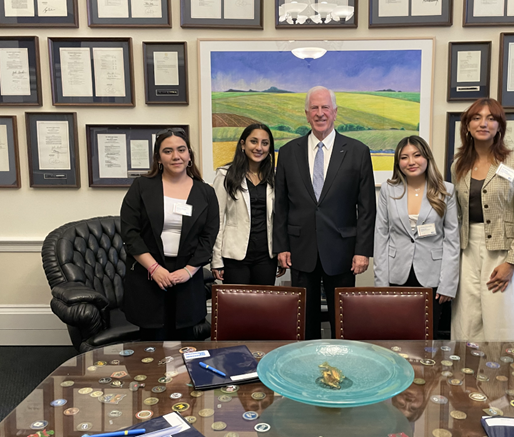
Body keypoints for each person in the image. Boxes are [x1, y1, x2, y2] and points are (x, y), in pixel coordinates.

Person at [274, 86, 376, 339]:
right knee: (304, 321)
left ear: (335, 112)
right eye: (314, 108)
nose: (320, 113)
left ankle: (342, 367)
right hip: (300, 248)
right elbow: (281, 205)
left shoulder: (357, 151)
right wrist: (281, 246)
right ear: (307, 114)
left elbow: (366, 207)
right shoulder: (288, 152)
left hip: (342, 249)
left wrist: (363, 251)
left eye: (325, 108)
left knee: (343, 320)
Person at [120, 128, 219, 341]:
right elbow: (130, 233)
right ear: (158, 158)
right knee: (151, 349)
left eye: (181, 150)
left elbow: (208, 237)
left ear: (189, 155)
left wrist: (189, 271)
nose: (176, 156)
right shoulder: (141, 187)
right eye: (168, 151)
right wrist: (154, 268)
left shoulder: (205, 192)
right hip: (149, 276)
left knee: (187, 346)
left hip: (187, 278)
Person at [450, 98, 514, 342]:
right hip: (466, 251)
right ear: (467, 125)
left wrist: (512, 263)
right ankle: (467, 377)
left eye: (491, 118)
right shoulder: (458, 165)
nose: (483, 123)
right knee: (468, 320)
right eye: (476, 118)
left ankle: (506, 379)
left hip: (503, 252)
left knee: (503, 320)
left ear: (500, 125)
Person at [374, 135, 459, 339]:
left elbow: (452, 240)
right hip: (396, 274)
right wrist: (380, 284)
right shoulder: (388, 189)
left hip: (432, 276)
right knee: (394, 335)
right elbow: (381, 235)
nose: (411, 162)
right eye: (404, 157)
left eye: (416, 155)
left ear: (427, 158)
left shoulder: (446, 190)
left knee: (428, 338)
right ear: (398, 162)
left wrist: (448, 284)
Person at [211, 124, 284, 285]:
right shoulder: (225, 175)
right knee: (238, 308)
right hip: (234, 256)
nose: (259, 147)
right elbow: (217, 219)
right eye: (254, 141)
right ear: (243, 144)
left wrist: (281, 252)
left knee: (264, 307)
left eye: (265, 143)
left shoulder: (275, 177)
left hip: (266, 256)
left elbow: (280, 219)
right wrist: (216, 259)